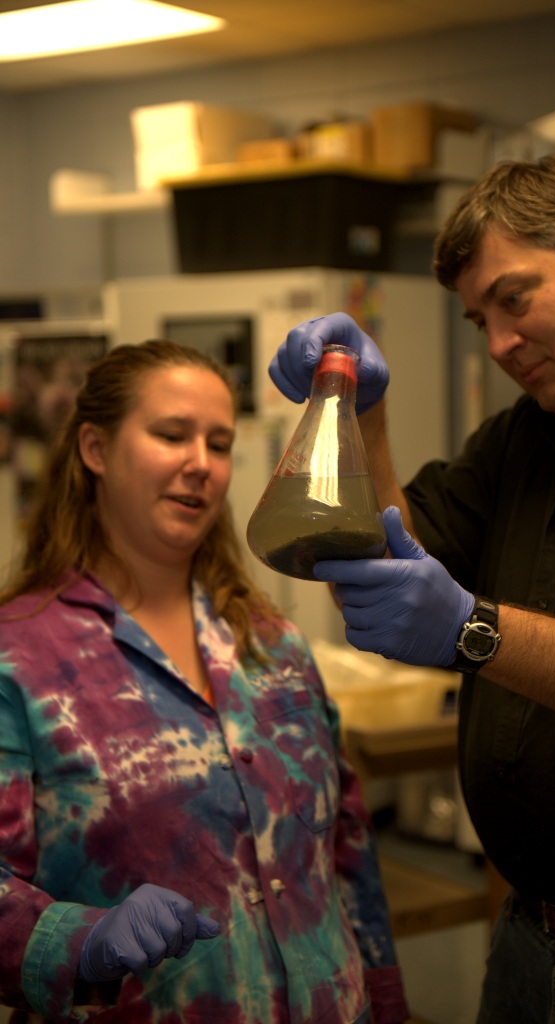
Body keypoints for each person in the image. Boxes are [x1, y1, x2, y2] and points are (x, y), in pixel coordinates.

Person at [268, 154, 555, 1023]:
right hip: (529, 938)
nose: (495, 345)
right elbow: (389, 558)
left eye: (515, 300)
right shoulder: (517, 441)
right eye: (477, 319)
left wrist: (476, 632)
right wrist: (358, 413)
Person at [0, 339, 409, 1024]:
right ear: (95, 450)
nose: (201, 465)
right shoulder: (21, 657)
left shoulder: (269, 643)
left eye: (219, 444)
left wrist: (387, 1001)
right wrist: (77, 941)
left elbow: (347, 848)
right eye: (170, 435)